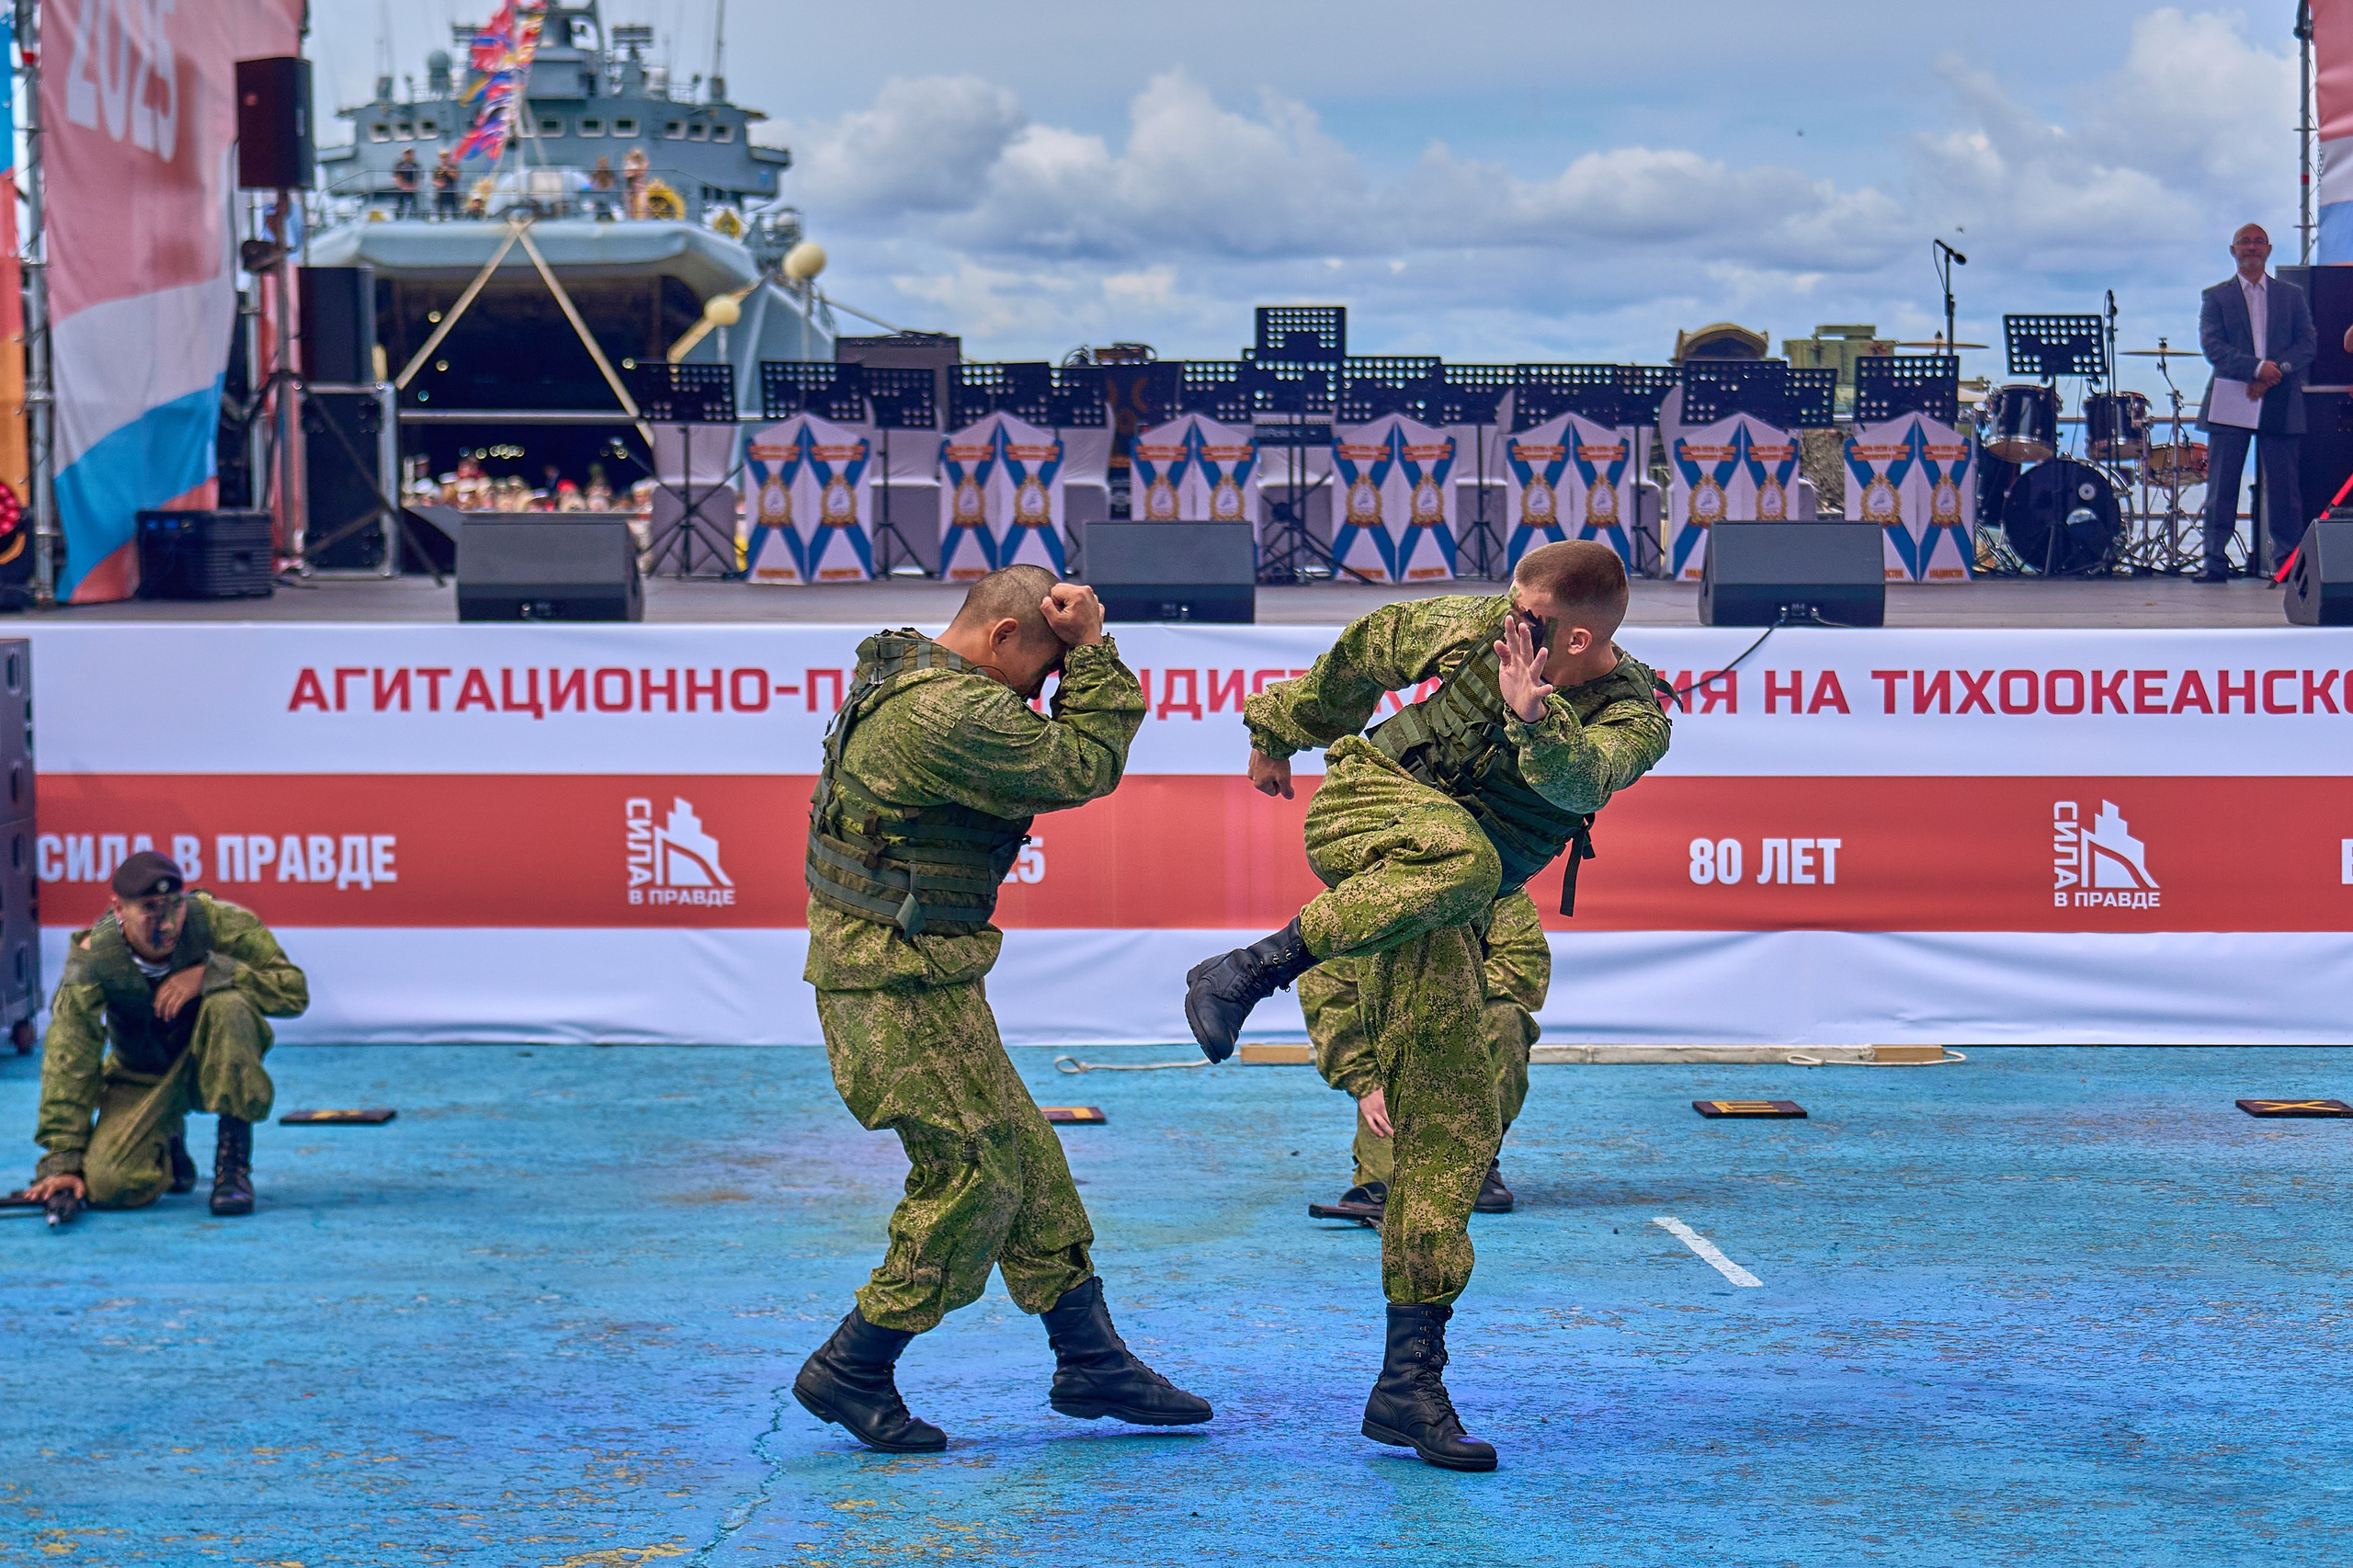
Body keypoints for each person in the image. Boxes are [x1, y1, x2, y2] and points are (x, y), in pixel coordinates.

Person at [1184, 540, 1672, 1471]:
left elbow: (1583, 781)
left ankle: (1407, 1385)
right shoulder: (1474, 628)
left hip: (1442, 899)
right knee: (1469, 859)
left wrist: (1535, 719)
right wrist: (1274, 729)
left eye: (1526, 621)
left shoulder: (1634, 715)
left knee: (1449, 1134)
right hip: (1371, 810)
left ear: (1574, 637)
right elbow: (1364, 650)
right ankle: (1248, 968)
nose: (1506, 627)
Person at [792, 564, 1212, 1454]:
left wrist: (1078, 658)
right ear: (1005, 637)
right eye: (1046, 667)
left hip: (919, 972)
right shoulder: (946, 710)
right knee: (976, 1172)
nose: (1044, 688)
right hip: (892, 983)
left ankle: (1089, 1356)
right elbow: (1081, 765)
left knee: (1026, 1157)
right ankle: (855, 1362)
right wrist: (1097, 654)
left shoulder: (910, 674)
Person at [23, 853, 308, 1218]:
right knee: (111, 1186)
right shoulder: (95, 958)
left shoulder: (218, 921)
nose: (169, 923)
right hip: (141, 1075)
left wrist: (212, 973)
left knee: (230, 1006)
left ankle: (233, 1167)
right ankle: (167, 1142)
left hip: (212, 1061)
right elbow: (69, 1057)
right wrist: (62, 1162)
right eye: (151, 909)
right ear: (118, 909)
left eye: (175, 906)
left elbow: (292, 992)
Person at [1302, 887, 1548, 1224]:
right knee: (1389, 1187)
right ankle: (1398, 1165)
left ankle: (1477, 1163)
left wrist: (1436, 1002)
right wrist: (1366, 1086)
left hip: (1469, 1026)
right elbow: (1330, 999)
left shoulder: (1495, 880)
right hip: (1393, 1043)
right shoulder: (1357, 892)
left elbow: (1523, 968)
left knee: (1505, 1021)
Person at [2198, 222, 2316, 581]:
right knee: (2222, 484)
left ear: (2269, 249)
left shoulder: (2291, 295)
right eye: (2244, 242)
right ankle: (2215, 562)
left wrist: (2275, 371)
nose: (2251, 247)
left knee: (2285, 488)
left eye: (2258, 242)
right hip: (2233, 395)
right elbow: (2213, 347)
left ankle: (2286, 563)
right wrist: (2256, 369)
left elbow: (2308, 343)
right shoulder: (2216, 297)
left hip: (2280, 397)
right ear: (2233, 250)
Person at [391, 147, 420, 219]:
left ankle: (415, 216)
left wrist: (414, 186)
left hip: (412, 188)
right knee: (399, 202)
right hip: (401, 187)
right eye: (407, 153)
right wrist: (403, 186)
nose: (409, 155)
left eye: (410, 154)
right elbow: (396, 177)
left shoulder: (415, 165)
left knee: (415, 202)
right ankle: (398, 216)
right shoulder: (399, 165)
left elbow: (419, 176)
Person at [431, 150, 460, 220]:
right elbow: (434, 180)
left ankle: (455, 219)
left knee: (454, 210)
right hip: (441, 192)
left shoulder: (453, 167)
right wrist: (439, 184)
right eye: (442, 157)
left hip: (451, 191)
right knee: (439, 209)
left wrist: (447, 169)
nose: (444, 159)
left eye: (446, 157)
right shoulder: (437, 168)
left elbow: (456, 176)